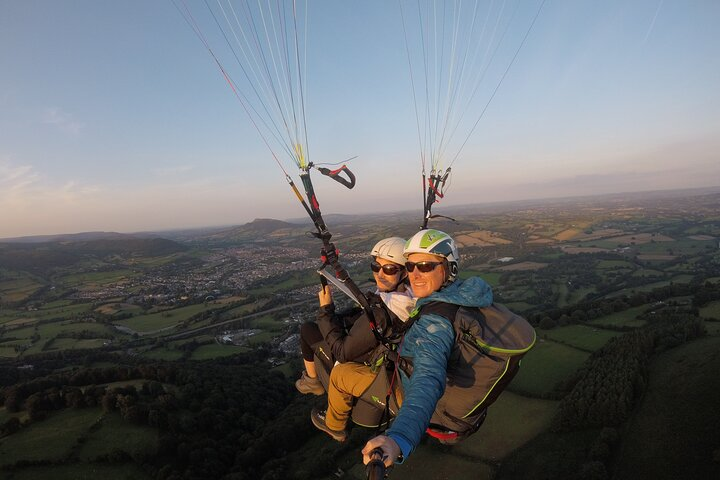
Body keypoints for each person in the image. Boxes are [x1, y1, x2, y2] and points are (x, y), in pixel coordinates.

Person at [358, 229, 494, 466]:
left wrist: (399, 439)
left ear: (449, 269)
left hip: (435, 412)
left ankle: (332, 423)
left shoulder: (434, 325)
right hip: (466, 405)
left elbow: (427, 380)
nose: (415, 275)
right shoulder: (465, 294)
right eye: (410, 267)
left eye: (425, 266)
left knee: (342, 374)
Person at [295, 237, 414, 397]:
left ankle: (312, 381)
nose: (380, 274)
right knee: (338, 320)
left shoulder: (384, 313)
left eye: (389, 269)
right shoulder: (404, 295)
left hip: (358, 359)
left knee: (307, 330)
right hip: (372, 348)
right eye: (376, 266)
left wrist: (326, 310)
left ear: (404, 272)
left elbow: (342, 353)